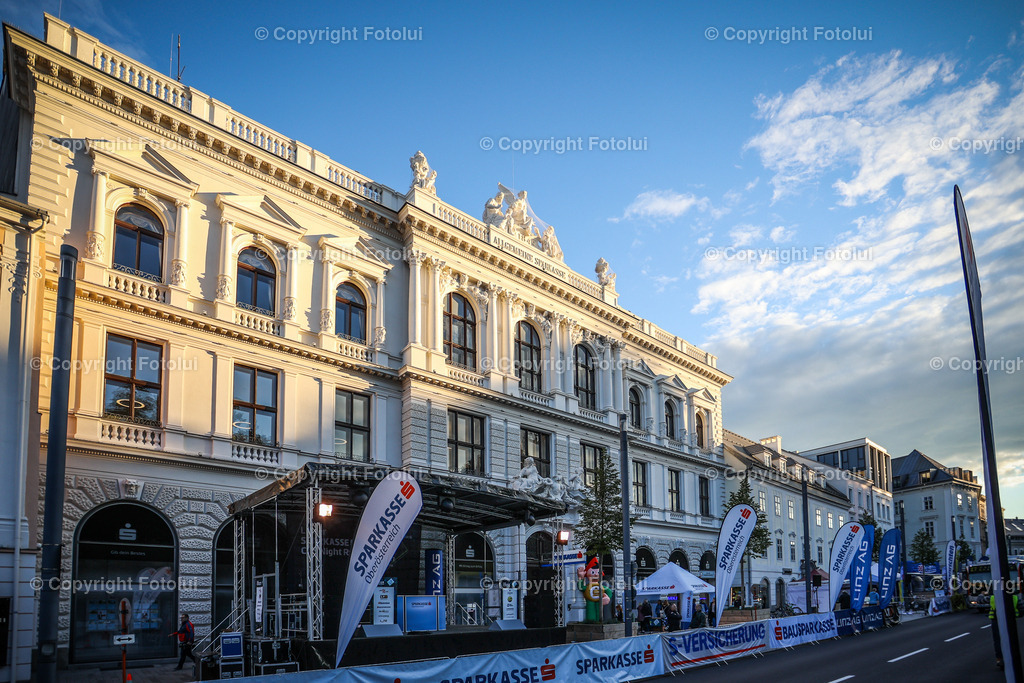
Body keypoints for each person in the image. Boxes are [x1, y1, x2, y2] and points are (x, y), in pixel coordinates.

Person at [990, 592, 1023, 669]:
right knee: (1011, 639)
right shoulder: (1015, 597)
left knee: (998, 640)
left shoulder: (993, 598)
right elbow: (1021, 611)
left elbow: (987, 605)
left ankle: (999, 659)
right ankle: (1012, 657)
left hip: (996, 621)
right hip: (1010, 621)